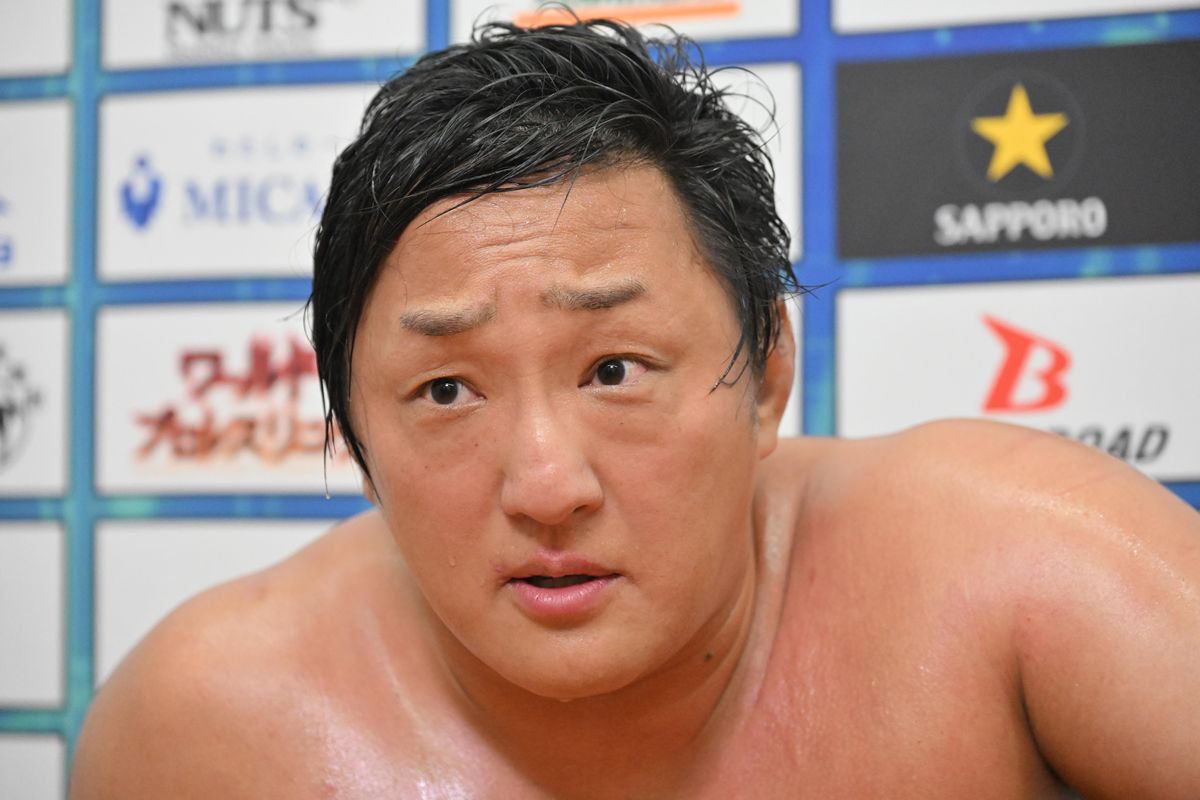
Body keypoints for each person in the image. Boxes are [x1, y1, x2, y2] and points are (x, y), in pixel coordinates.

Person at [71, 19, 1200, 799]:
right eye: (446, 390)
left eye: (614, 369)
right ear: (356, 441)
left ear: (766, 373)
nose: (546, 485)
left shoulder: (1010, 568)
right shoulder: (202, 728)